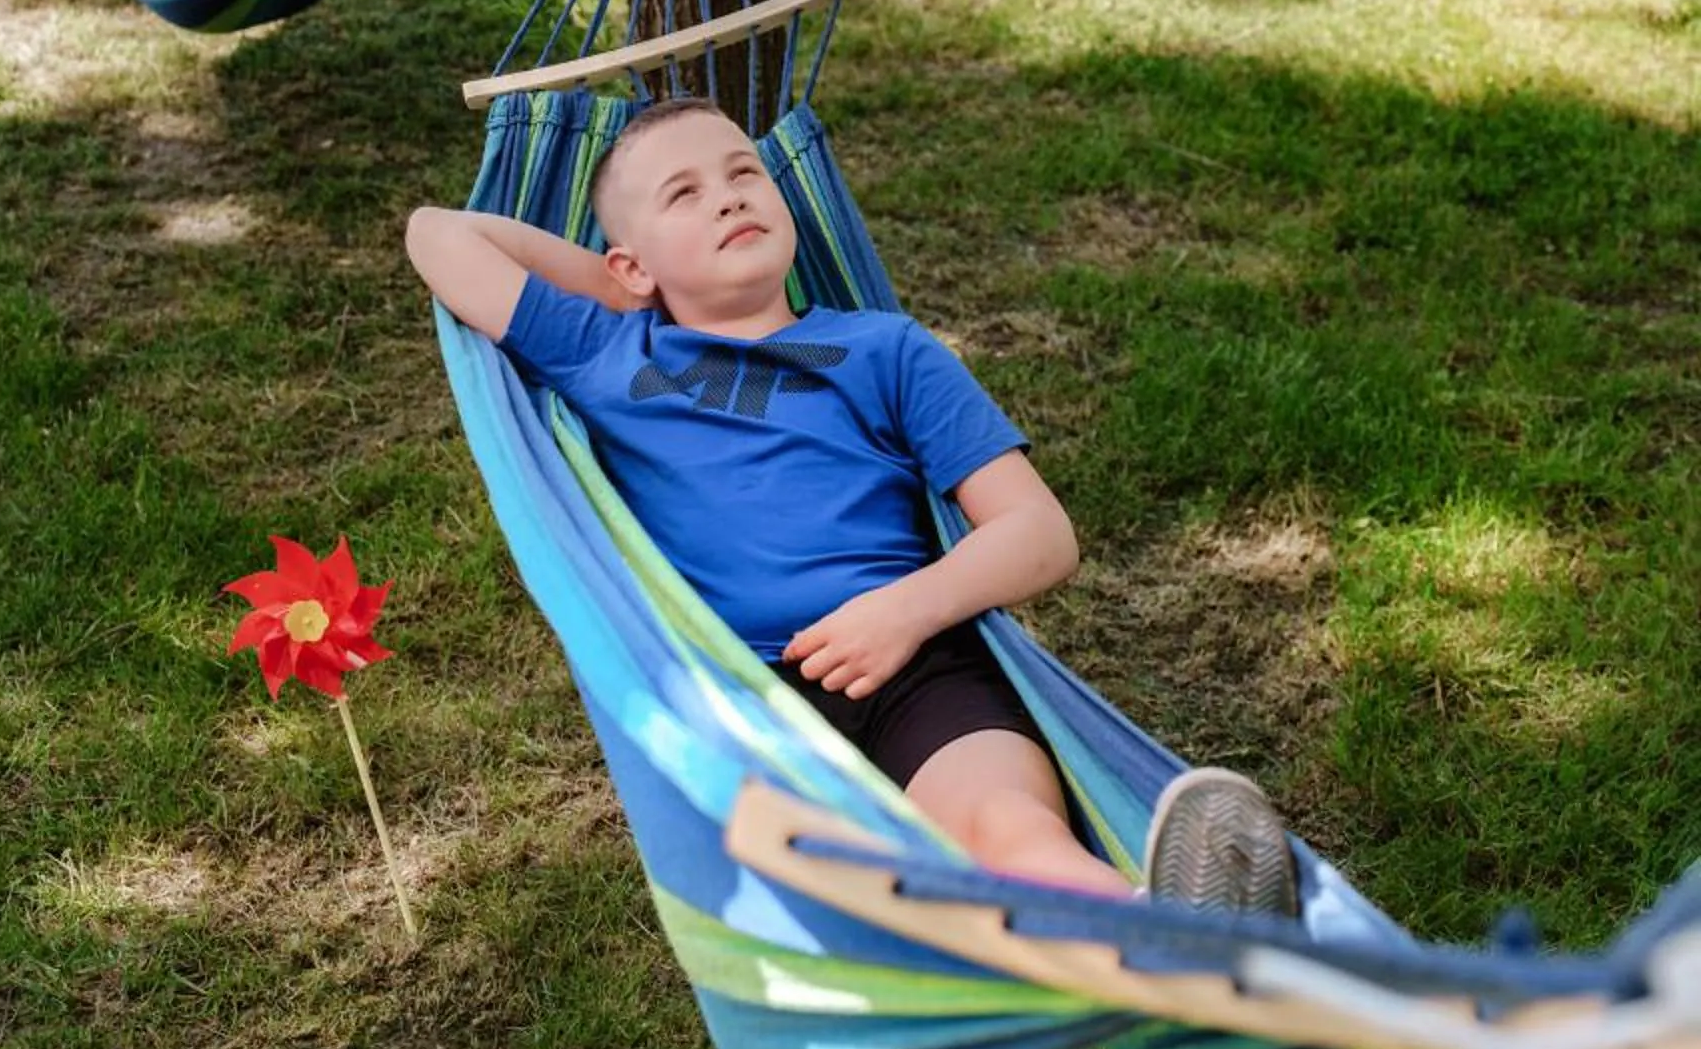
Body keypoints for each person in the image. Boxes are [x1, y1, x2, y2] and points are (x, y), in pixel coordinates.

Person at [407, 98, 1300, 914]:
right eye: (685, 194)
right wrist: (629, 291)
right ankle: (1173, 947)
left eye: (744, 172)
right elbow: (437, 234)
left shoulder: (884, 350)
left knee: (1006, 826)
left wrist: (905, 612)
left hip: (915, 664)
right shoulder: (611, 352)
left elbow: (1040, 534)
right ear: (628, 263)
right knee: (880, 896)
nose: (728, 198)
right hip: (745, 710)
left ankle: (1162, 930)